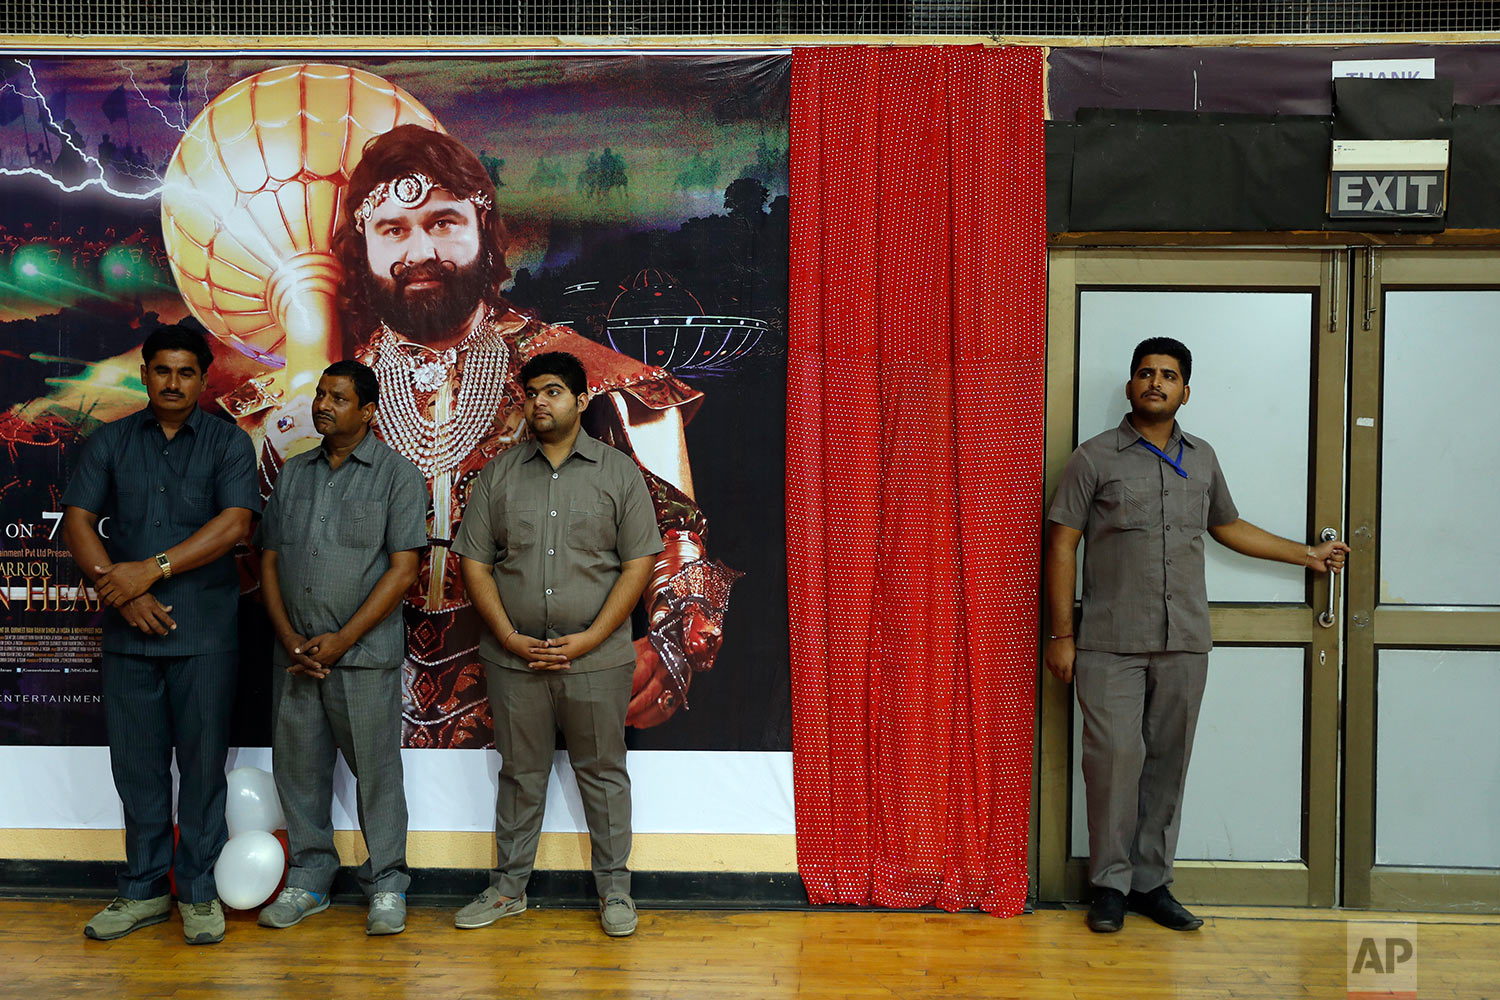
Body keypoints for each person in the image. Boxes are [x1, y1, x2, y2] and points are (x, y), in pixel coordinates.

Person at [246, 123, 736, 747]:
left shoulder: (587, 379)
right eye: (392, 229)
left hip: (536, 691)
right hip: (357, 698)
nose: (419, 250)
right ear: (360, 249)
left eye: (443, 222)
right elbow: (258, 553)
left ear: (486, 231)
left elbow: (676, 530)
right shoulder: (319, 400)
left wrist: (670, 648)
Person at [1044, 336, 1348, 934]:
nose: (1156, 382)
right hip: (1108, 642)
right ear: (1131, 386)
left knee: (1167, 764)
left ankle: (1151, 884)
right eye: (1145, 373)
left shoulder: (1202, 457)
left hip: (1184, 640)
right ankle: (1109, 886)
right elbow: (1061, 545)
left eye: (1169, 375)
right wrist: (1061, 635)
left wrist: (1306, 555)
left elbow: (1227, 525)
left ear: (1186, 390)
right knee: (1112, 764)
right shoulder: (1093, 458)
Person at [450, 351, 663, 937]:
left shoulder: (618, 473)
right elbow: (474, 562)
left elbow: (639, 562)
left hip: (596, 659)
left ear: (581, 399)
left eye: (552, 392)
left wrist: (591, 638)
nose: (538, 403)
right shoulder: (499, 475)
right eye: (530, 393)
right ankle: (508, 889)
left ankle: (615, 891)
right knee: (520, 773)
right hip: (514, 659)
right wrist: (511, 637)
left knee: (602, 770)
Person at [61, 324, 259, 945]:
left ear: (204, 378)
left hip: (204, 631)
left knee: (203, 771)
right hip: (129, 634)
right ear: (144, 373)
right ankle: (143, 891)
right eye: (162, 371)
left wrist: (153, 568)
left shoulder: (229, 443)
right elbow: (78, 521)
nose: (173, 383)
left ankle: (198, 893)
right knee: (138, 768)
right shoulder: (111, 441)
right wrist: (121, 591)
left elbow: (233, 526)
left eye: (186, 372)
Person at [253, 360, 428, 936]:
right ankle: (308, 879)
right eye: (320, 394)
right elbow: (270, 559)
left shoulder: (397, 476)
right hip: (295, 655)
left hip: (362, 656)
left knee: (376, 774)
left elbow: (403, 571)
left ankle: (386, 884)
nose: (322, 405)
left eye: (338, 398)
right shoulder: (294, 472)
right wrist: (288, 638)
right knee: (298, 771)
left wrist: (343, 639)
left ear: (369, 410)